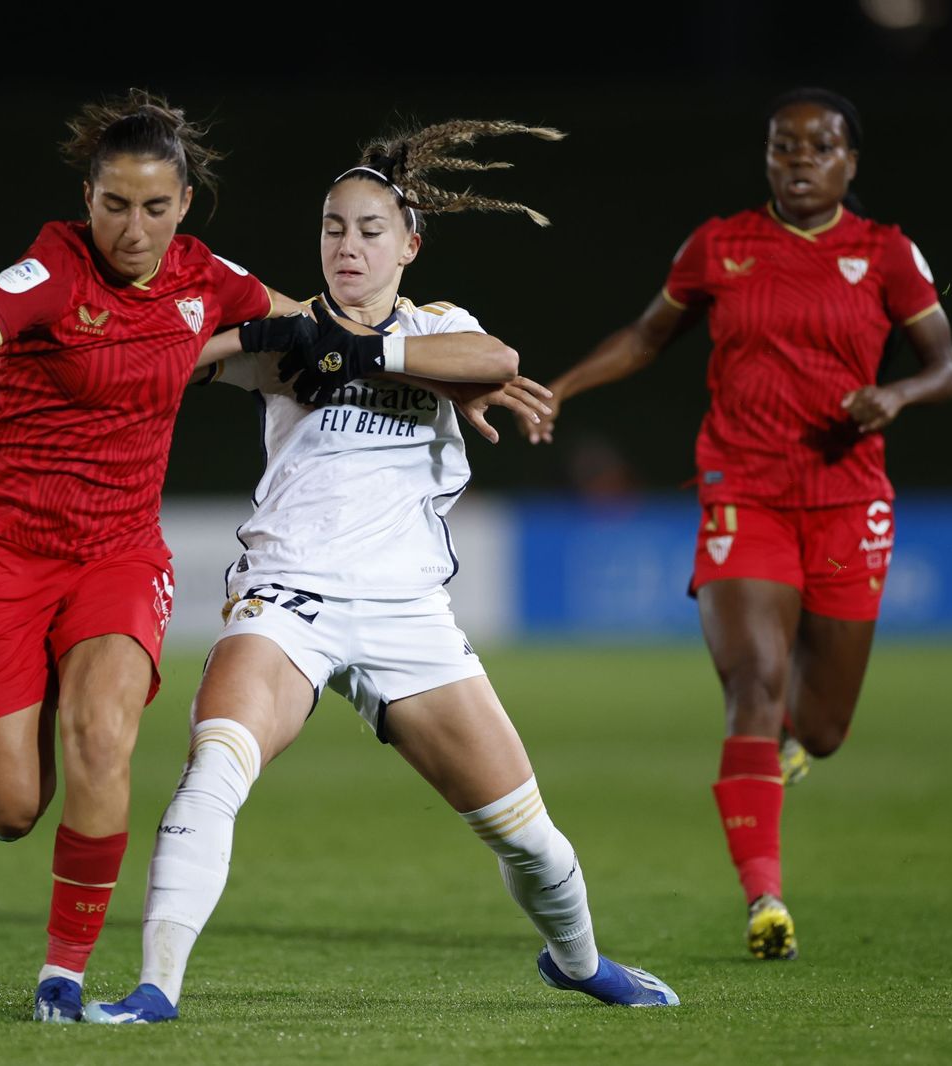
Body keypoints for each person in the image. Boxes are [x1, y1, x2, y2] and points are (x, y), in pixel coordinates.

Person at [84, 120, 681, 1025]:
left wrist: (359, 352)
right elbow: (173, 360)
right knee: (215, 765)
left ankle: (580, 962)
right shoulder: (287, 336)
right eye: (333, 228)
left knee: (532, 843)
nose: (348, 246)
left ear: (410, 243)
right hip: (288, 597)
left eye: (369, 230)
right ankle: (156, 987)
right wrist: (256, 336)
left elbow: (498, 361)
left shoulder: (443, 331)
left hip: (408, 614)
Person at [0, 90, 301, 1022]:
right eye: (114, 206)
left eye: (155, 208)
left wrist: (443, 368)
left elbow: (314, 327)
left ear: (185, 205)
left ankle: (62, 977)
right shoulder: (49, 273)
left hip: (118, 552)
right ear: (86, 198)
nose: (133, 230)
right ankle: (45, 678)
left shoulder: (207, 277)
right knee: (13, 809)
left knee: (103, 734)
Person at [523, 88, 952, 960]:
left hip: (848, 501)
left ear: (851, 162)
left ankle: (790, 749)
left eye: (821, 146)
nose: (800, 159)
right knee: (754, 681)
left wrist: (897, 395)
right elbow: (648, 337)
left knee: (824, 729)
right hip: (742, 492)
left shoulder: (884, 255)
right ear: (766, 158)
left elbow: (945, 367)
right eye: (783, 146)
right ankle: (765, 898)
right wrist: (562, 389)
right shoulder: (719, 246)